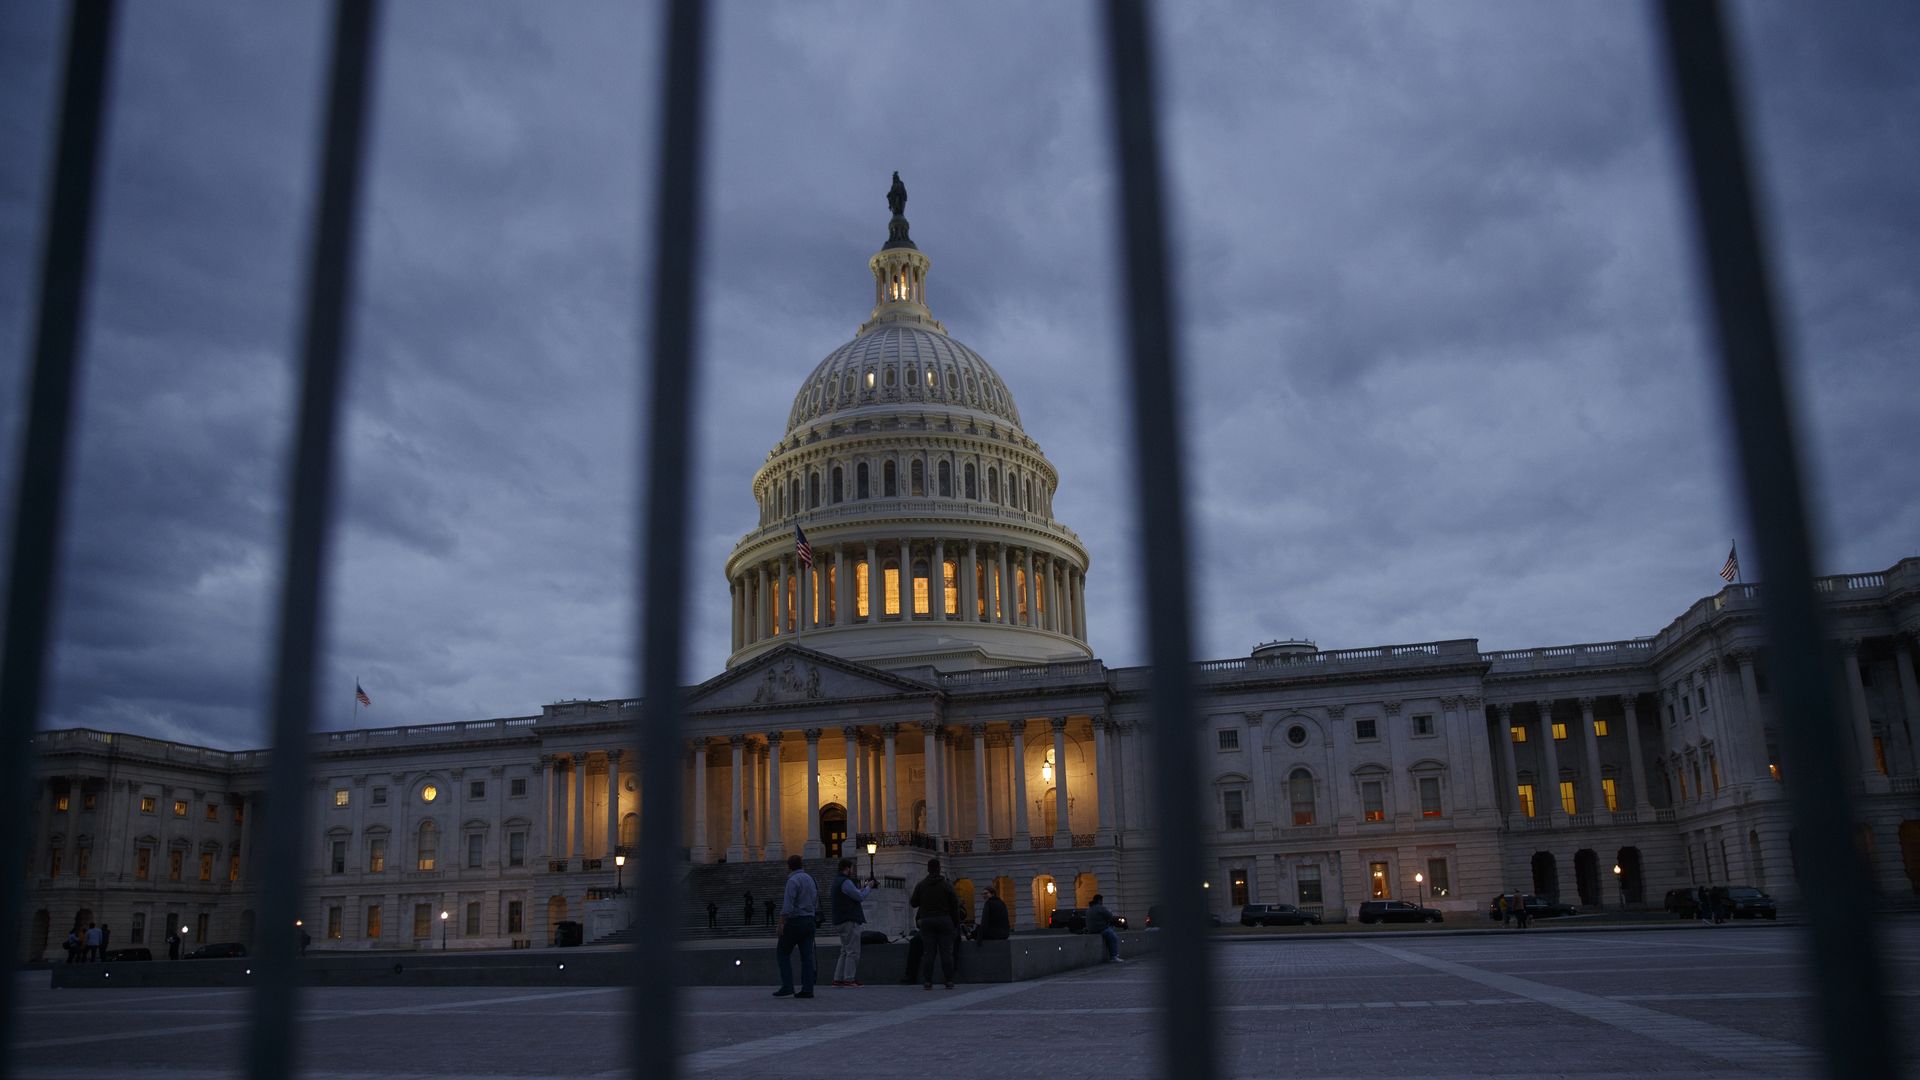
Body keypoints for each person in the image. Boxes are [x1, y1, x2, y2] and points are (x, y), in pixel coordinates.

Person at [909, 857, 962, 989]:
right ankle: (949, 980)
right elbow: (954, 905)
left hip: (927, 921)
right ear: (939, 869)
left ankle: (928, 981)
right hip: (944, 920)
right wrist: (955, 923)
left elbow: (913, 903)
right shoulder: (946, 885)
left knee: (929, 953)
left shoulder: (921, 885)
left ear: (928, 869)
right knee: (946, 953)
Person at [772, 855, 818, 999]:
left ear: (789, 866)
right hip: (809, 921)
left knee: (782, 953)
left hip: (795, 922)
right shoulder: (810, 879)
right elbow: (815, 900)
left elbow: (787, 906)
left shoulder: (792, 881)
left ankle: (788, 986)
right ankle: (808, 989)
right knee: (807, 957)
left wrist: (781, 924)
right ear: (801, 864)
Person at [830, 857, 874, 987]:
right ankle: (849, 979)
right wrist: (868, 887)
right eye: (852, 868)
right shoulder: (845, 882)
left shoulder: (836, 881)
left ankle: (838, 979)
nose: (853, 871)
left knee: (845, 950)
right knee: (853, 951)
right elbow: (859, 897)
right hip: (849, 919)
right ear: (847, 868)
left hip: (840, 919)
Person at [1086, 894, 1123, 962]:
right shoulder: (1100, 907)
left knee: (1110, 931)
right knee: (1113, 937)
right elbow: (1110, 916)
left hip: (1091, 930)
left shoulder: (1089, 908)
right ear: (1099, 900)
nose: (1102, 902)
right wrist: (1109, 911)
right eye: (1102, 901)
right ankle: (1114, 956)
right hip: (1100, 929)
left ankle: (1113, 956)